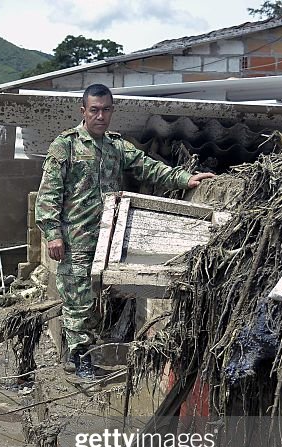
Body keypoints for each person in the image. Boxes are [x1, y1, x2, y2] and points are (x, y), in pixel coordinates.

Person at [36, 83, 216, 381]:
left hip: (107, 239)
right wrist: (52, 233)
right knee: (78, 299)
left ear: (112, 112)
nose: (100, 116)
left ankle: (78, 353)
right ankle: (79, 358)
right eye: (94, 110)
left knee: (94, 300)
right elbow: (48, 195)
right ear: (83, 111)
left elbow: (147, 167)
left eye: (106, 110)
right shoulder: (65, 145)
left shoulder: (116, 147)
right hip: (75, 239)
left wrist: (184, 178)